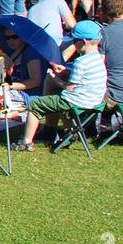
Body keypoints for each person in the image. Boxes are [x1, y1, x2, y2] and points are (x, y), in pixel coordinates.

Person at [17, 21, 107, 150]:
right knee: (53, 94)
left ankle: (26, 142)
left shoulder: (80, 62)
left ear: (83, 41)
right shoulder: (98, 58)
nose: (73, 44)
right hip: (94, 100)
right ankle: (56, 130)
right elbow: (84, 78)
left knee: (34, 105)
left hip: (76, 101)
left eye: (74, 41)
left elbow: (70, 88)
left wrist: (56, 78)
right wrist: (64, 72)